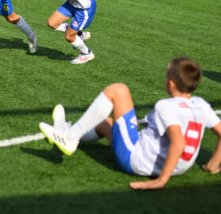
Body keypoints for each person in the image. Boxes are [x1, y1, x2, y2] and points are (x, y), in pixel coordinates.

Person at [39, 57, 221, 190]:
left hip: (137, 159)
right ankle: (66, 131)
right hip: (179, 168)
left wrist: (161, 181)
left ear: (171, 84)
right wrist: (213, 165)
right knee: (105, 123)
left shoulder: (165, 106)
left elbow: (179, 142)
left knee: (118, 90)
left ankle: (69, 137)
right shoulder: (201, 105)